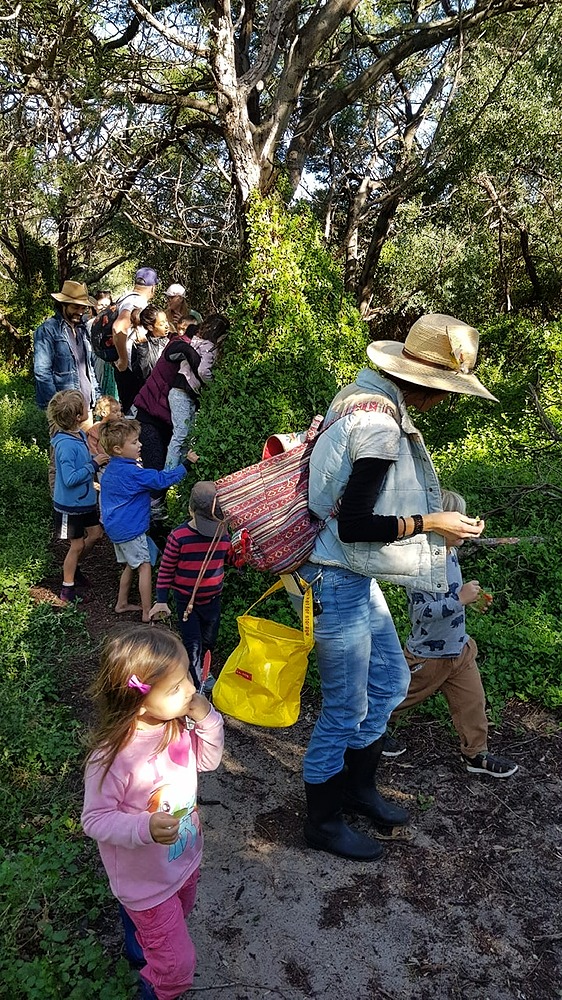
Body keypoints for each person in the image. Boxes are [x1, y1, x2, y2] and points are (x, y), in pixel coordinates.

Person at [294, 313, 497, 862]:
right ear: (425, 384)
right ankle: (322, 820)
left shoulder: (364, 396)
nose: (445, 402)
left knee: (388, 681)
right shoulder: (381, 426)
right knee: (344, 704)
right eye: (446, 391)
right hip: (336, 572)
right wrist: (434, 523)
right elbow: (355, 522)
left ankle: (359, 789)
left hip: (356, 570)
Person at [81, 624, 224, 1000]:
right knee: (174, 968)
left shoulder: (175, 724)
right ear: (140, 701)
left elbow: (208, 761)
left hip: (183, 861)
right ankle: (156, 987)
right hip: (145, 881)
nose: (192, 689)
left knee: (179, 911)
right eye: (177, 688)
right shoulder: (112, 757)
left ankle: (137, 949)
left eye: (189, 678)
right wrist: (144, 827)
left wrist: (207, 718)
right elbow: (94, 819)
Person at [387, 489, 518, 778]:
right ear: (441, 525)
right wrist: (458, 600)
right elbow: (421, 612)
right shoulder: (420, 565)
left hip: (459, 647)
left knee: (472, 703)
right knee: (398, 697)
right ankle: (369, 732)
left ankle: (476, 753)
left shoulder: (451, 553)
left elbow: (452, 596)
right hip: (429, 654)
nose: (466, 523)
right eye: (459, 518)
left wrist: (471, 598)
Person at [99, 418, 198, 621]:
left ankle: (122, 603)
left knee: (130, 564)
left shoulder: (112, 468)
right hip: (130, 529)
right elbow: (161, 480)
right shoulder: (133, 472)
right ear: (118, 449)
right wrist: (186, 465)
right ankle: (147, 612)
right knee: (144, 565)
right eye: (134, 442)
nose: (140, 444)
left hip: (115, 527)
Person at [149, 482, 231, 691]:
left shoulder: (222, 534)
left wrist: (238, 555)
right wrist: (161, 600)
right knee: (192, 643)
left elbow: (227, 559)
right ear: (190, 510)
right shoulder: (179, 537)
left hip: (213, 599)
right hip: (187, 601)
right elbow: (166, 570)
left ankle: (203, 669)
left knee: (209, 639)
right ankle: (195, 684)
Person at [47, 389, 107, 602]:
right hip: (70, 505)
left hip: (85, 501)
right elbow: (70, 478)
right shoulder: (64, 445)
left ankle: (73, 568)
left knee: (96, 534)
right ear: (77, 416)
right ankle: (67, 589)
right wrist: (93, 465)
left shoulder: (79, 434)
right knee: (77, 544)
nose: (88, 408)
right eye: (84, 406)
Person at [165, 314, 230, 469]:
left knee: (187, 435)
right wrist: (212, 386)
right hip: (183, 392)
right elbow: (203, 371)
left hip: (180, 391)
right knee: (181, 435)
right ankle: (169, 473)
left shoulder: (196, 341)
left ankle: (179, 472)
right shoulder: (209, 346)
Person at [34, 280, 100, 416]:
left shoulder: (82, 329)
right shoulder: (48, 330)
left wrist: (97, 396)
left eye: (83, 308)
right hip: (64, 409)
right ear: (63, 305)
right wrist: (56, 406)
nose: (80, 312)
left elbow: (89, 368)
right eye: (75, 307)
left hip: (86, 405)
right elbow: (42, 372)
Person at [111, 267, 159, 413]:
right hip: (132, 369)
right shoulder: (135, 302)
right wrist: (123, 360)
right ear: (153, 287)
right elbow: (118, 327)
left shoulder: (124, 298)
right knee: (134, 414)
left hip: (128, 367)